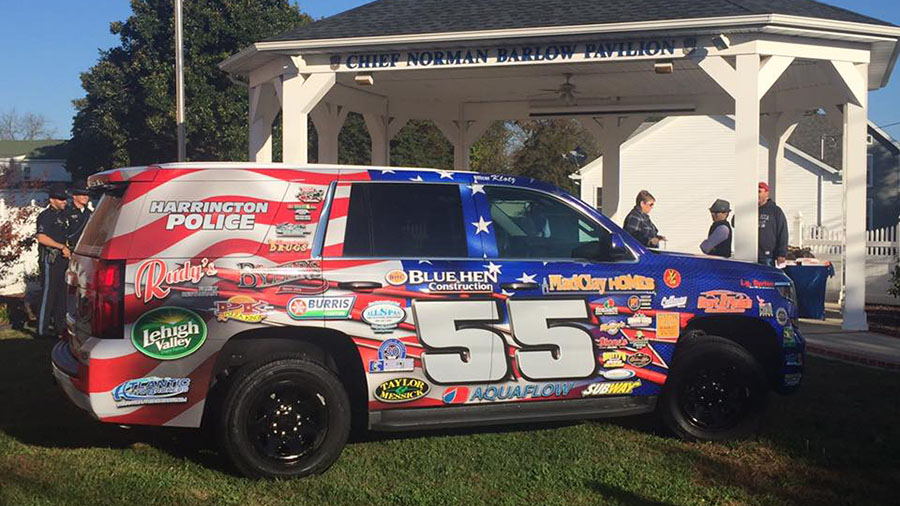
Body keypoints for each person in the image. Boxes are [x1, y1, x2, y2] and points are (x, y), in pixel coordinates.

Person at [35, 184, 70, 338]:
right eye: (61, 199)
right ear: (52, 200)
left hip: (62, 260)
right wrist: (61, 246)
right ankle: (41, 330)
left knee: (61, 294)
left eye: (65, 199)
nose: (64, 202)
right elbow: (41, 237)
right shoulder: (45, 216)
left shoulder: (63, 215)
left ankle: (59, 328)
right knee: (48, 294)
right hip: (50, 259)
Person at [758, 182, 788, 266]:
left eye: (759, 191)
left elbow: (782, 232)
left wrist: (781, 253)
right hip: (750, 254)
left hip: (767, 256)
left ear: (766, 193)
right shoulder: (751, 210)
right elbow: (736, 222)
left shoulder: (775, 211)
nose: (757, 195)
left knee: (766, 278)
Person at [65, 182, 92, 248]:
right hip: (70, 248)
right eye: (82, 194)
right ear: (74, 196)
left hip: (85, 248)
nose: (86, 197)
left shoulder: (90, 213)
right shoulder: (66, 212)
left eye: (87, 195)